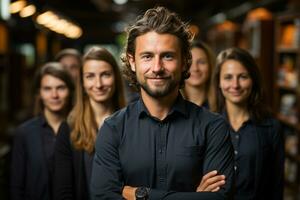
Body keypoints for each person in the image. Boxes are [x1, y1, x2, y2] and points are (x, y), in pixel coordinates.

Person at [90, 6, 234, 200]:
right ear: (132, 62)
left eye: (168, 56)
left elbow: (220, 198)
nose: (157, 68)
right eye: (147, 56)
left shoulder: (213, 128)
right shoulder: (113, 129)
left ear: (184, 61)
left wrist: (142, 194)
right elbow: (102, 197)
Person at [53, 46, 126, 200]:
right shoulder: (68, 129)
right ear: (82, 83)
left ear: (116, 78)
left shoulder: (132, 124)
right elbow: (63, 191)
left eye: (105, 75)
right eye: (90, 76)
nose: (98, 84)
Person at [212, 47, 284, 200]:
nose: (235, 85)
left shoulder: (271, 127)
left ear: (253, 80)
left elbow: (276, 184)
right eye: (228, 77)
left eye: (243, 76)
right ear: (218, 82)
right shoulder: (207, 125)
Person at [10, 62, 75, 200]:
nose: (54, 95)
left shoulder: (80, 129)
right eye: (47, 89)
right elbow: (16, 187)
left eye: (61, 88)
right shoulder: (24, 133)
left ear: (70, 90)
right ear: (39, 93)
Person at [181, 40, 215, 109]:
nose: (195, 69)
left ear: (210, 66)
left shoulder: (223, 105)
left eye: (201, 62)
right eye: (189, 63)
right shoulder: (169, 106)